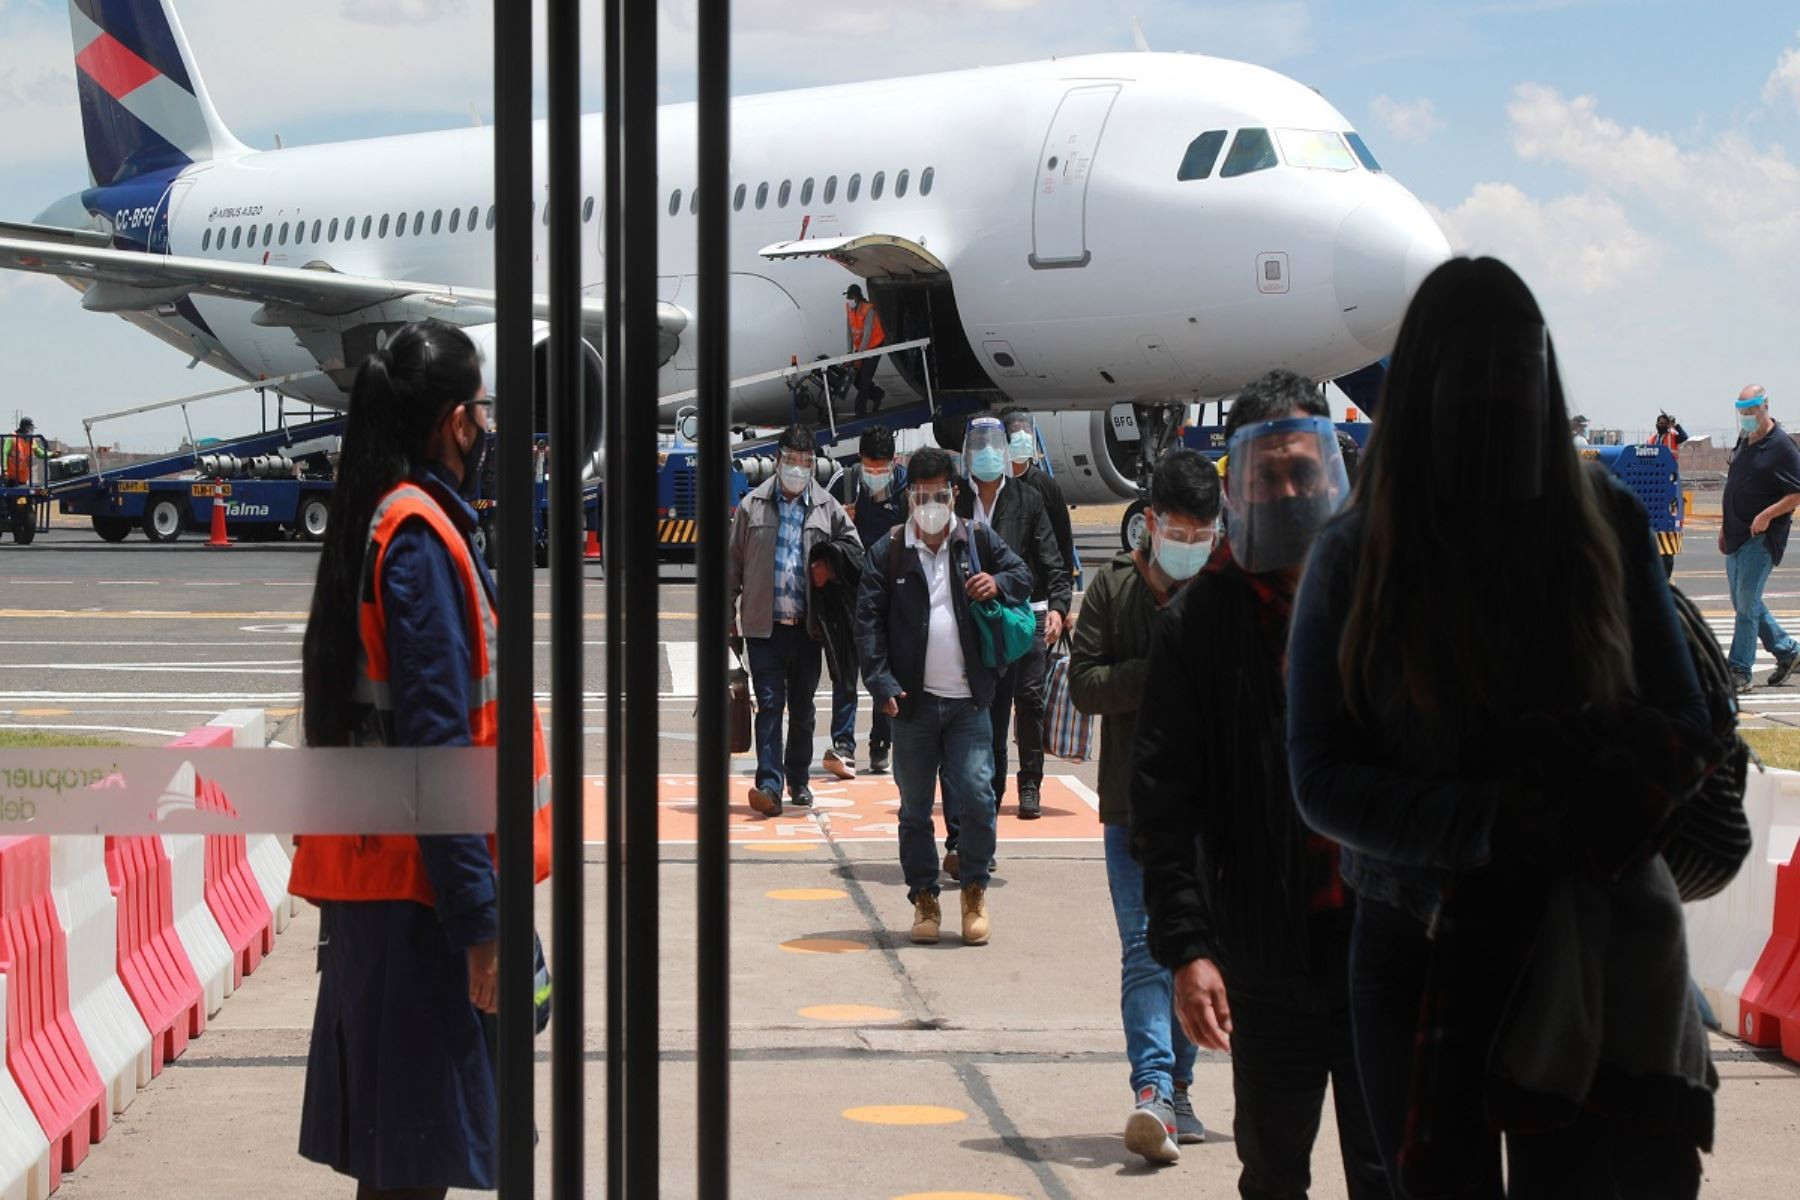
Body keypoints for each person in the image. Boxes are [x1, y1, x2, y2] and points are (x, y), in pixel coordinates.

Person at [1288, 257, 1718, 1198]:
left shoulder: (1597, 514)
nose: (1493, 399)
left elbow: (1690, 722)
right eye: (1471, 373)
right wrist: (1496, 825)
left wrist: (1566, 808)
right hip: (1416, 932)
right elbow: (1317, 775)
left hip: (1582, 926)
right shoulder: (1356, 552)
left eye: (1512, 371)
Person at [291, 321, 553, 1199]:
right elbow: (439, 747)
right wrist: (478, 926)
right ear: (455, 422)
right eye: (481, 407)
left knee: (405, 1167)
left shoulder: (400, 521)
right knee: (412, 1168)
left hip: (403, 890)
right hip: (421, 900)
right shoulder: (417, 541)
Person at [1131, 371, 1385, 1198]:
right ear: (1238, 486)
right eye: (1266, 474)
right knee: (1273, 1172)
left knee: (1390, 1173)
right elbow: (1164, 810)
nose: (1287, 489)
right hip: (1266, 959)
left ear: (1331, 474)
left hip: (1382, 944)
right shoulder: (1197, 628)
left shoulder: (1381, 605)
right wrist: (1187, 948)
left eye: (1302, 470)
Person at [1068, 447, 1219, 1165]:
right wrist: (1157, 666)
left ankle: (1180, 1086)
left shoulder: (1225, 591)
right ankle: (1152, 1089)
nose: (1190, 549)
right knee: (1143, 949)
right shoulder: (1112, 591)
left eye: (1203, 537)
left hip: (1212, 810)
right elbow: (1086, 685)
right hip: (1132, 805)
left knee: (1193, 947)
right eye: (1179, 534)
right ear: (1150, 523)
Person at [855, 445, 1031, 946]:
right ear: (908, 497)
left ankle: (973, 886)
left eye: (938, 494)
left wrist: (994, 583)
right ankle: (924, 898)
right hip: (911, 706)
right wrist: (883, 683)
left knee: (978, 794)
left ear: (953, 494)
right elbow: (867, 625)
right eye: (920, 494)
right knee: (914, 808)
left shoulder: (975, 538)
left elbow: (1022, 576)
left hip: (968, 701)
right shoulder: (889, 550)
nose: (929, 503)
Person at [728, 424, 862, 816]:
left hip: (808, 628)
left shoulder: (827, 507)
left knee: (802, 709)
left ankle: (798, 778)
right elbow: (732, 566)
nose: (797, 470)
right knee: (769, 705)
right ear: (778, 460)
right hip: (763, 628)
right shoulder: (752, 506)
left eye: (805, 463)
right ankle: (769, 785)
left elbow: (855, 553)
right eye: (791, 461)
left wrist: (830, 567)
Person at [953, 414, 1069, 833]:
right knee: (991, 713)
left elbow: (1052, 557)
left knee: (1030, 701)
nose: (986, 452)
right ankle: (990, 800)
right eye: (978, 444)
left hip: (1027, 616)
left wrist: (1057, 605)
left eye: (993, 444)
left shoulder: (1028, 499)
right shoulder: (958, 501)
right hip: (980, 623)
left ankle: (1031, 784)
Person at [826, 426, 910, 774]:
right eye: (869, 468)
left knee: (884, 670)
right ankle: (844, 744)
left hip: (892, 594)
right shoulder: (844, 484)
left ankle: (881, 742)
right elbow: (818, 531)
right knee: (846, 672)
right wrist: (840, 519)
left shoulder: (907, 487)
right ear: (860, 461)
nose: (875, 475)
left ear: (893, 462)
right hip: (850, 593)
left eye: (882, 468)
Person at [1721, 385, 1800, 691]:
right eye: (1742, 411)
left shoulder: (1782, 446)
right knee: (1744, 602)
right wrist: (1723, 527)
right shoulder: (1744, 440)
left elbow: (1796, 492)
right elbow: (1736, 484)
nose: (1746, 417)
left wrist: (1767, 514)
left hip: (1761, 539)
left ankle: (1739, 670)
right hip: (1735, 534)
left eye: (1751, 410)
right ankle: (1788, 651)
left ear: (1765, 406)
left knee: (1746, 605)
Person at [844, 284, 887, 415]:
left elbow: (867, 334)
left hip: (874, 346)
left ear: (856, 298)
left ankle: (860, 409)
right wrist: (849, 354)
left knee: (865, 378)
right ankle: (877, 394)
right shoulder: (850, 310)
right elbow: (849, 333)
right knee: (856, 379)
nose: (848, 300)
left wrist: (859, 356)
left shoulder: (869, 310)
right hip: (862, 348)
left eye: (850, 297)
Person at [3, 416, 43, 486]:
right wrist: (4, 469)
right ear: (25, 428)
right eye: (30, 429)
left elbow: (39, 453)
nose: (32, 431)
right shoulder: (12, 438)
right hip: (11, 479)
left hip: (23, 478)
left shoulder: (31, 440)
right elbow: (4, 453)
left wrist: (52, 454)